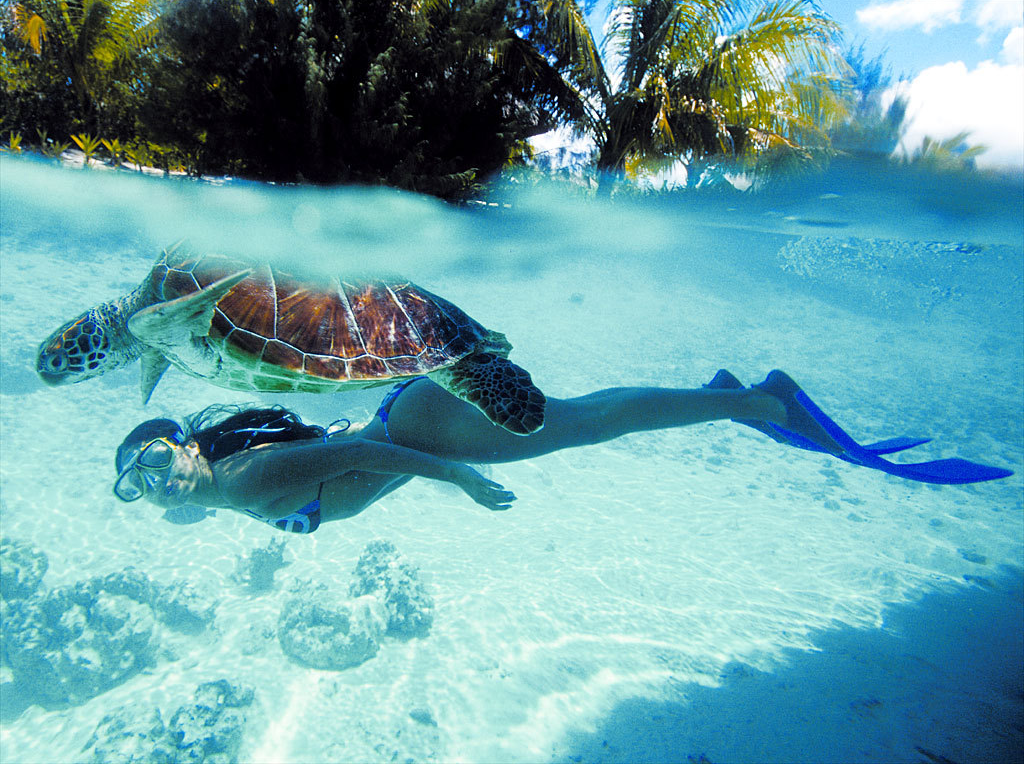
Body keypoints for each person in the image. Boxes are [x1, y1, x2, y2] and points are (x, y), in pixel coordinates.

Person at [113, 370, 1013, 534]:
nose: (155, 487)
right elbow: (345, 459)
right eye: (137, 487)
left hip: (419, 433)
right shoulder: (217, 491)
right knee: (584, 419)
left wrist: (462, 481)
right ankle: (731, 395)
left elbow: (379, 466)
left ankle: (755, 399)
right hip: (402, 417)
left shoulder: (244, 481)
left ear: (189, 447)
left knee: (588, 424)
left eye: (158, 460)